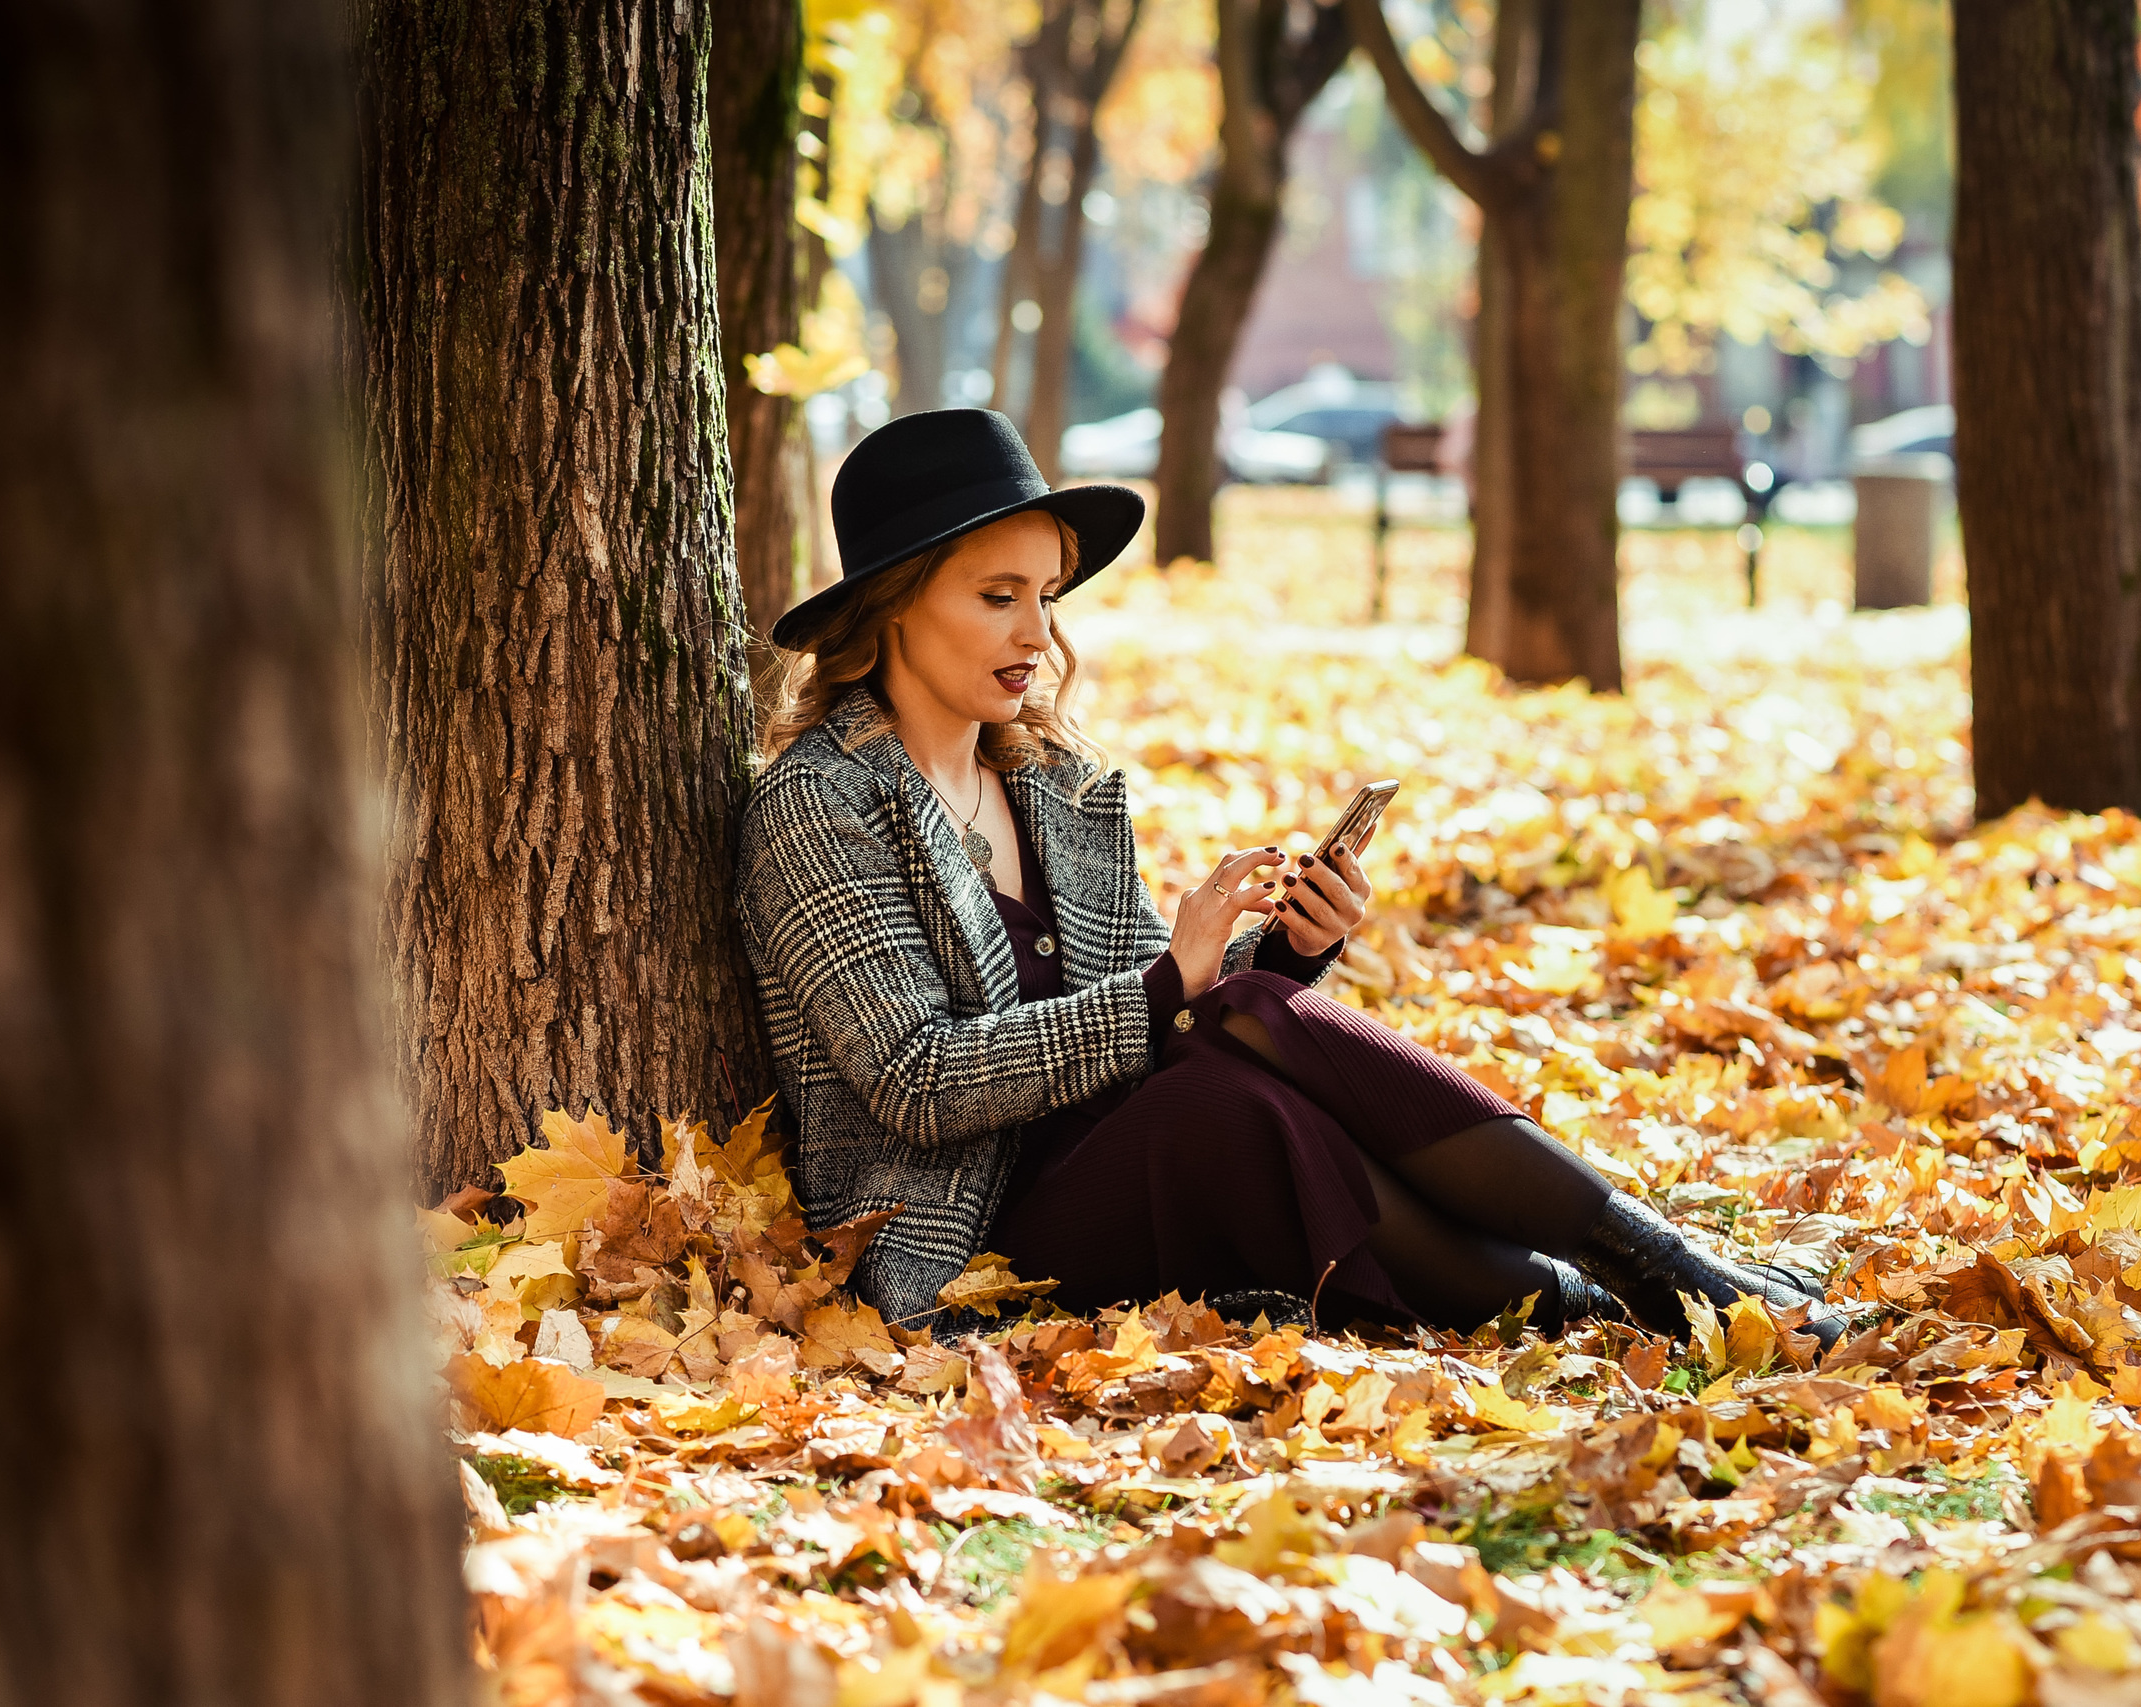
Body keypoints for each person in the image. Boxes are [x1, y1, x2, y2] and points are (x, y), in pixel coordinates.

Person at [735, 407, 1845, 1347]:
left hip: (1127, 1152)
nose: (1037, 632)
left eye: (1048, 595)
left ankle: (1607, 1292)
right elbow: (917, 1080)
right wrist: (1178, 983)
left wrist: (1288, 947)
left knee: (1245, 1047)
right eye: (996, 596)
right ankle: (1657, 1276)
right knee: (1228, 1073)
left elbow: (1154, 1005)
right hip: (965, 1241)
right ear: (891, 608)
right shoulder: (820, 805)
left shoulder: (1055, 782)